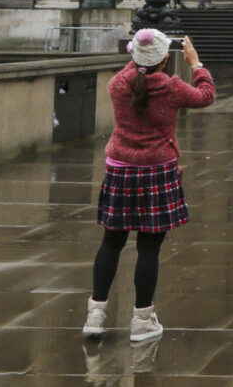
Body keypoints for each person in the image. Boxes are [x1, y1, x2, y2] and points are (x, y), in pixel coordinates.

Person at [83, 30, 216, 344]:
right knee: (149, 247)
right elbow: (206, 95)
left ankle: (95, 315)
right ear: (166, 58)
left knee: (111, 242)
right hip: (156, 171)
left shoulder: (117, 85)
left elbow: (133, 71)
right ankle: (142, 319)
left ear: (134, 58)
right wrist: (196, 63)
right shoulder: (171, 88)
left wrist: (138, 52)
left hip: (120, 169)